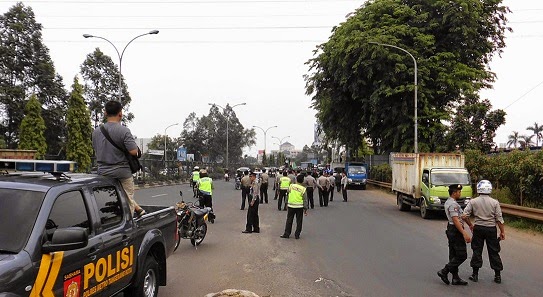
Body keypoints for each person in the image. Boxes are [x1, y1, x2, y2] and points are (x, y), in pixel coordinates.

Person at [92, 100, 145, 217]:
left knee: (107, 200)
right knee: (127, 199)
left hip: (103, 172)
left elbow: (96, 149)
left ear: (105, 113)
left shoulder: (96, 132)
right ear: (120, 113)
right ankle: (128, 221)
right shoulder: (124, 131)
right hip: (122, 172)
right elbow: (133, 151)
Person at [462, 180, 505, 284]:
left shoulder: (473, 201)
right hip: (491, 229)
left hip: (479, 228)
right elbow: (499, 218)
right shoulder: (495, 202)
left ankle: (475, 274)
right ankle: (497, 276)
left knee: (477, 250)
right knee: (494, 251)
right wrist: (502, 231)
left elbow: (464, 215)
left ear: (478, 189)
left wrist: (470, 225)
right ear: (490, 189)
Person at [437, 184, 471, 286]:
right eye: (458, 192)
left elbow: (462, 216)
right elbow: (456, 220)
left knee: (454, 255)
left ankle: (455, 278)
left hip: (452, 229)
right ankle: (444, 271)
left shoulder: (451, 203)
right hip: (455, 230)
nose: (460, 193)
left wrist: (470, 225)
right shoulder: (452, 204)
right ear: (454, 193)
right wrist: (464, 233)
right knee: (462, 255)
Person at [280, 174, 309, 239]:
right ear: (302, 181)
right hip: (299, 207)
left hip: (291, 206)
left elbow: (287, 195)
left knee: (289, 220)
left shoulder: (291, 186)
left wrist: (286, 204)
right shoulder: (303, 189)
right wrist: (305, 209)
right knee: (299, 221)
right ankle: (297, 235)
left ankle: (286, 234)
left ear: (296, 180)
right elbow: (305, 199)